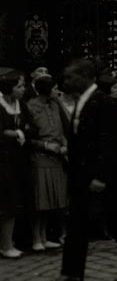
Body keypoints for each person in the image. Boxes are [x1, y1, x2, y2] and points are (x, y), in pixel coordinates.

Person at [58, 59, 117, 281]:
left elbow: (110, 144)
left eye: (71, 76)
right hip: (83, 176)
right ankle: (71, 273)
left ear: (86, 77)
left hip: (105, 178)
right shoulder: (81, 101)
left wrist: (101, 176)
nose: (67, 81)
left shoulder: (104, 102)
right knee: (77, 223)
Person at [26, 75, 69, 252]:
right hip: (40, 156)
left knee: (52, 199)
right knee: (40, 200)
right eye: (54, 88)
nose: (57, 91)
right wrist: (45, 145)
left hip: (57, 155)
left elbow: (64, 126)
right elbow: (29, 136)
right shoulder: (31, 106)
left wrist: (65, 144)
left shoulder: (55, 105)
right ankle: (37, 238)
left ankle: (45, 237)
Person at [0, 69, 31, 259]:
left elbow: (31, 126)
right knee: (6, 202)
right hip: (3, 161)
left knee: (14, 201)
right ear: (10, 88)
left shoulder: (22, 105)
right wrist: (15, 133)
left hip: (18, 160)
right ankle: (6, 245)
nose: (23, 89)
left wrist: (20, 131)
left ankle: (8, 242)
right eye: (19, 86)